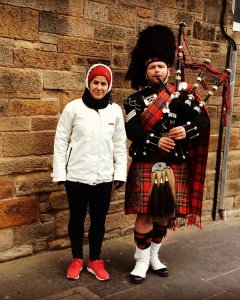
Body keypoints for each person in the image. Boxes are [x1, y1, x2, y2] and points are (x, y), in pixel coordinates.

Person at [124, 25, 210, 284]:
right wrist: (156, 141)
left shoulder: (182, 95)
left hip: (173, 164)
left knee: (164, 213)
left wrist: (187, 130)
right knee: (144, 214)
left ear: (169, 69)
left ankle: (154, 257)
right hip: (146, 161)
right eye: (152, 67)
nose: (157, 70)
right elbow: (132, 129)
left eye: (161, 66)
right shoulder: (134, 101)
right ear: (146, 71)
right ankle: (140, 262)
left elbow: (203, 122)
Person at [51, 63, 127, 281]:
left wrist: (119, 173)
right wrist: (60, 173)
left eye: (104, 83)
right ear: (88, 83)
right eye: (95, 82)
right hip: (76, 176)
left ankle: (94, 260)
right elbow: (61, 140)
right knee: (76, 219)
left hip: (103, 177)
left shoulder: (114, 111)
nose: (99, 87)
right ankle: (76, 258)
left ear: (109, 86)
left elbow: (119, 144)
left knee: (98, 221)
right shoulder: (73, 108)